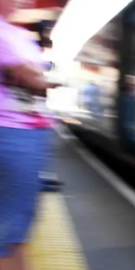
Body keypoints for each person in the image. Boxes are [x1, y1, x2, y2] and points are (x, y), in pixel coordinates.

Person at [0, 0, 57, 269]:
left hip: (22, 133)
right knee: (11, 223)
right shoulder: (4, 34)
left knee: (16, 221)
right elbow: (32, 78)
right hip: (12, 134)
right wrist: (44, 78)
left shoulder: (15, 33)